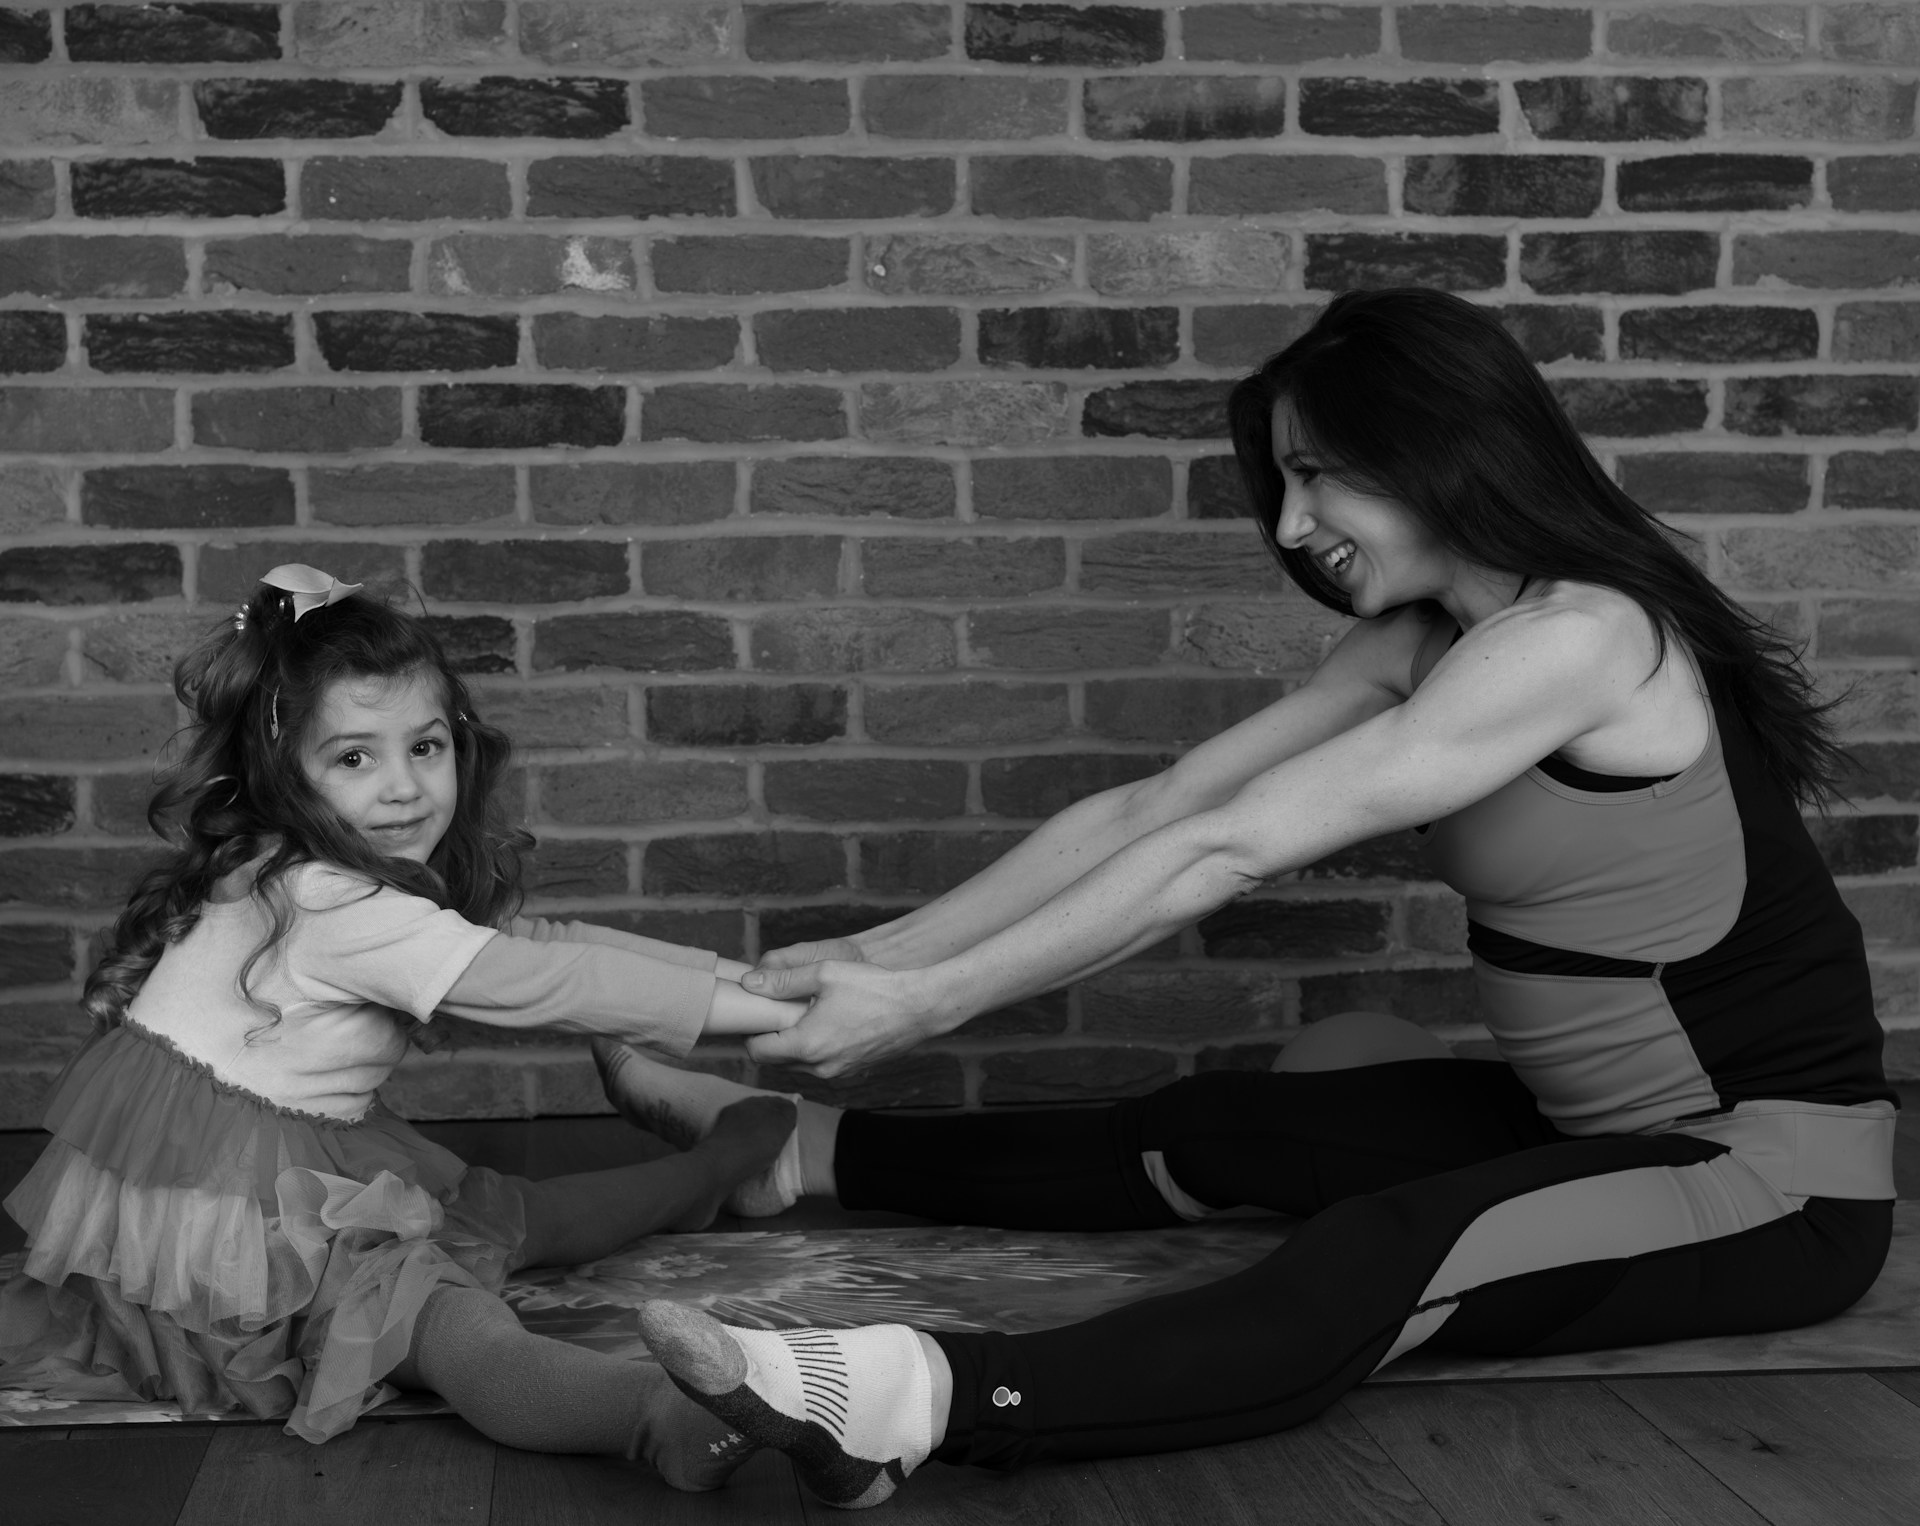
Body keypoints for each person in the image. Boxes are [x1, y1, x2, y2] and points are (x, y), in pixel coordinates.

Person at [592, 288, 1898, 1509]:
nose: (1288, 526)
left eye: (1317, 472)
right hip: (1575, 1120)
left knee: (1389, 1249)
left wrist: (924, 1000)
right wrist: (872, 955)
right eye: (1283, 481)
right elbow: (1157, 811)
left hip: (1768, 1172)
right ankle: (791, 1152)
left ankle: (908, 1399)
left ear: (1439, 445)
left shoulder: (1586, 635)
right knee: (1216, 1125)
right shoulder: (1428, 635)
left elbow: (1228, 855)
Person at [0, 564, 806, 1486]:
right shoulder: (332, 900)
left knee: (501, 1218)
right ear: (284, 776)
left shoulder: (291, 861)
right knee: (456, 1326)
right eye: (353, 758)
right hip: (243, 1230)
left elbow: (545, 943)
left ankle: (714, 1171)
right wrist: (772, 1015)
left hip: (216, 1194)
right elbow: (547, 980)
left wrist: (755, 985)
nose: (403, 789)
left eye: (425, 747)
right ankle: (658, 1417)